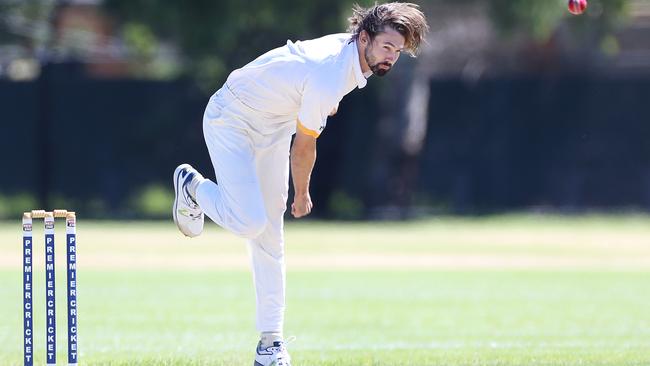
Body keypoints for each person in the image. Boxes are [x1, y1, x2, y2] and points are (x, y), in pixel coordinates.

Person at [172, 3, 428, 365]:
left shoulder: (352, 53)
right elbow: (304, 147)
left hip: (274, 125)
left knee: (270, 236)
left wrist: (319, 104)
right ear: (365, 37)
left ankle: (270, 344)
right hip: (232, 118)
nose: (392, 57)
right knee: (249, 222)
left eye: (398, 51)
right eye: (387, 47)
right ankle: (191, 186)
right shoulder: (330, 71)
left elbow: (309, 88)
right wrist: (303, 193)